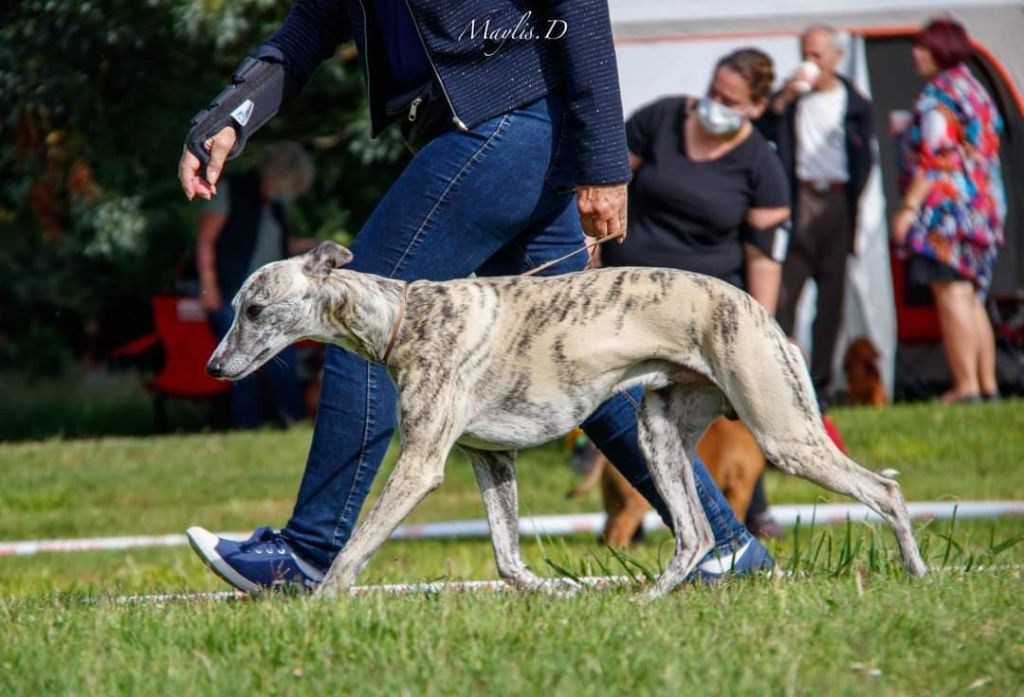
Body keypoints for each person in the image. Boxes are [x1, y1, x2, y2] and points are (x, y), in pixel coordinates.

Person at [178, 0, 772, 592]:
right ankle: (725, 545)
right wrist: (228, 117)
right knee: (588, 362)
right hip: (484, 132)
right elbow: (309, 26)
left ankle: (306, 556)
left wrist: (605, 162)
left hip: (504, 125)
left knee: (352, 312)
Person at [602, 48, 790, 538]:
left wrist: (762, 329)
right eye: (713, 91)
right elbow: (603, 191)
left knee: (729, 414)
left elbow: (764, 258)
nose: (714, 104)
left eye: (730, 99)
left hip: (707, 313)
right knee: (620, 404)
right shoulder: (660, 119)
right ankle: (629, 518)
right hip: (630, 297)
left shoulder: (761, 167)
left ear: (755, 106)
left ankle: (750, 514)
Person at [891, 18, 1005, 403]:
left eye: (923, 47)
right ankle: (987, 384)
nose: (915, 54)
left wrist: (908, 208)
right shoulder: (975, 88)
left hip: (948, 210)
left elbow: (936, 155)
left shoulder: (939, 95)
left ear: (942, 50)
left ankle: (965, 385)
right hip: (984, 205)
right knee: (971, 294)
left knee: (952, 292)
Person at [758, 25, 875, 395]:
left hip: (838, 201)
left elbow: (864, 159)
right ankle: (779, 377)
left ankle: (821, 383)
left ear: (836, 57)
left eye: (818, 55)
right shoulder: (792, 99)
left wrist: (854, 201)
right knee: (786, 293)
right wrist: (784, 98)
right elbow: (761, 132)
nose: (811, 61)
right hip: (799, 199)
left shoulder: (854, 102)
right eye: (806, 53)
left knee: (832, 298)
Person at [196, 141, 315, 428]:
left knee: (280, 356)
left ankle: (294, 421)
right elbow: (205, 240)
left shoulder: (273, 207)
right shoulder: (231, 190)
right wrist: (208, 285)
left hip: (266, 299)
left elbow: (282, 247)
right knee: (238, 359)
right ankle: (246, 425)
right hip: (229, 293)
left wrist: (317, 248)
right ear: (278, 176)